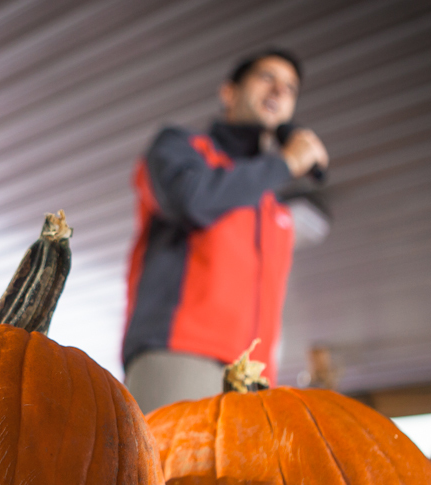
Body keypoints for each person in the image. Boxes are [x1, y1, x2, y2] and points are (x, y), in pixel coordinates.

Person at [122, 48, 329, 413]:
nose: (280, 91)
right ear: (229, 92)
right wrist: (285, 162)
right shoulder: (181, 149)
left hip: (254, 379)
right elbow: (190, 200)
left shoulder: (272, 207)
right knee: (162, 471)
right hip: (180, 354)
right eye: (267, 78)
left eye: (290, 88)